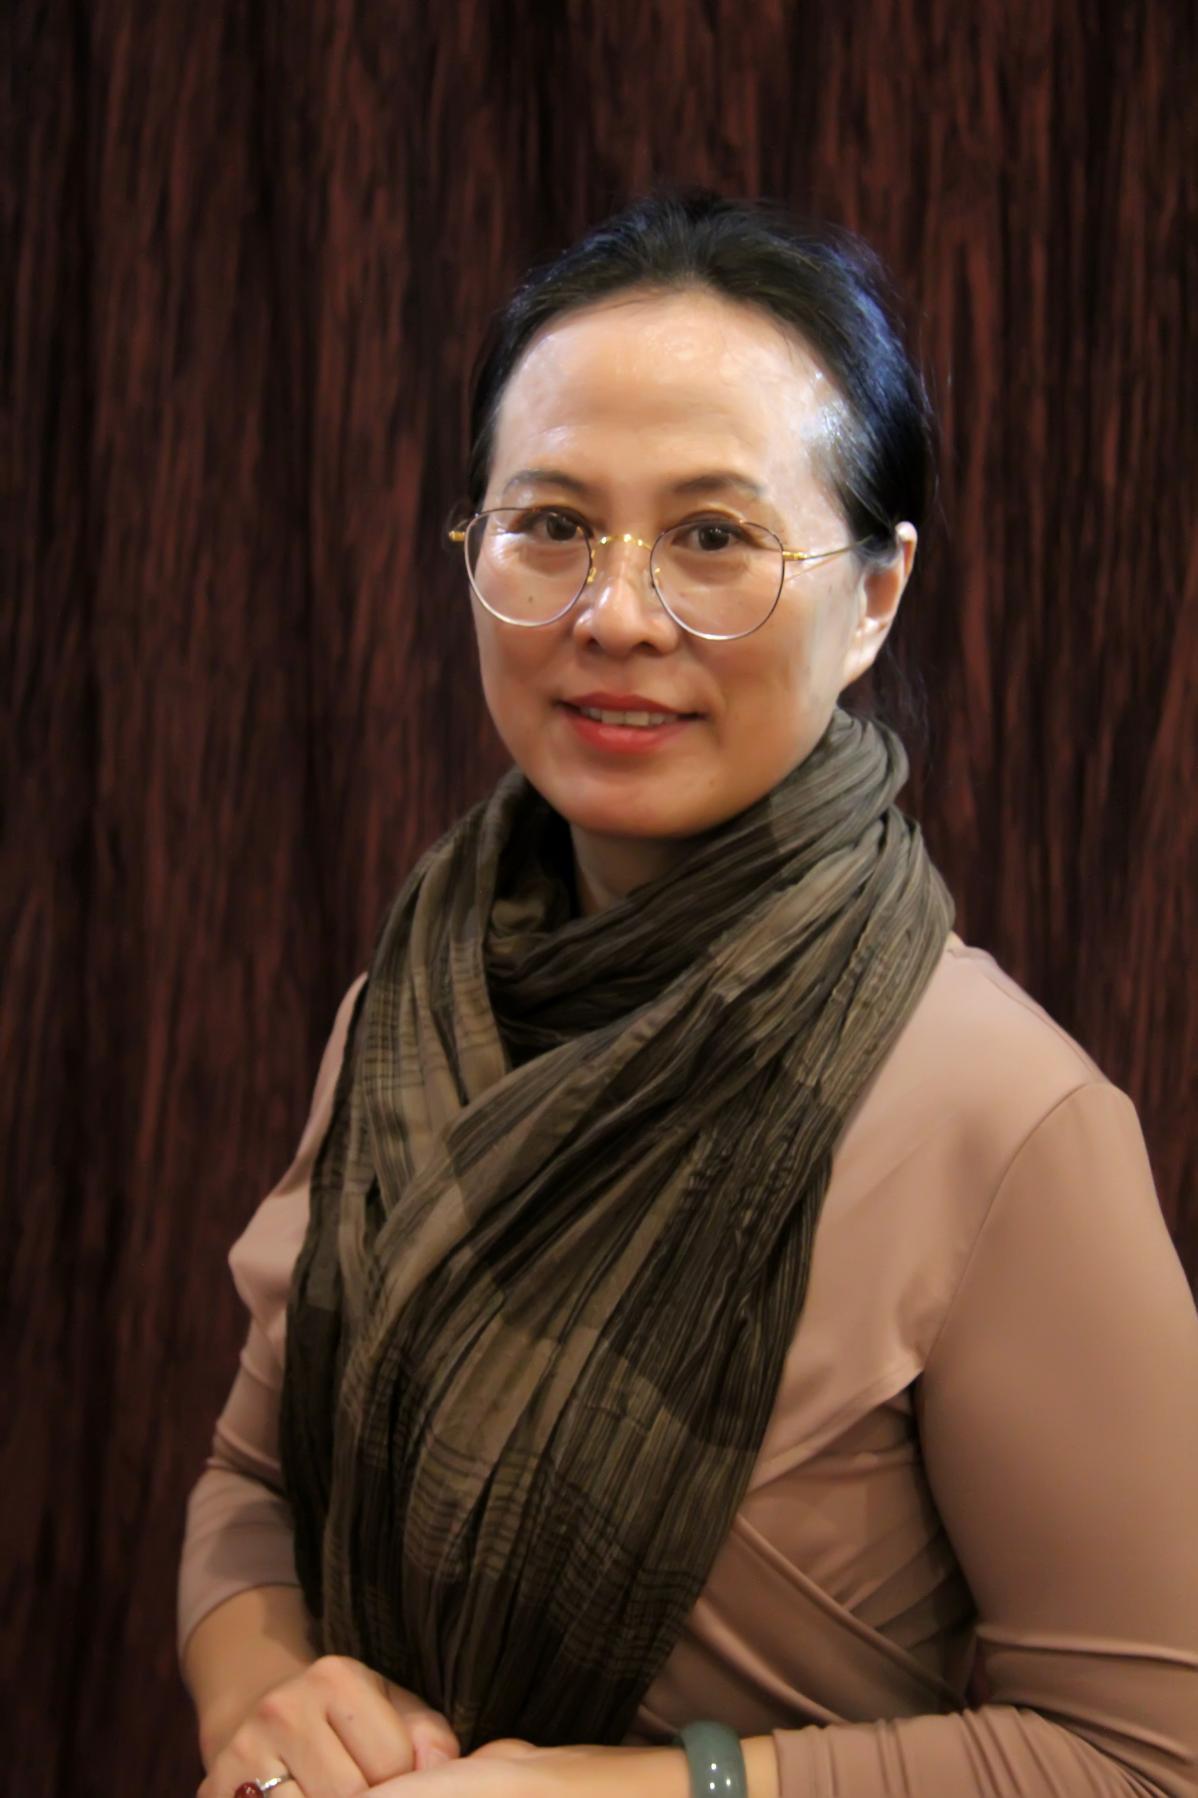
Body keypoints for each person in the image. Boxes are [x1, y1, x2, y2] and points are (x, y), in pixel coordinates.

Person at [177, 190, 1198, 1798]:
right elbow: (252, 1480)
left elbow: (1145, 1756)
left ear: (873, 596)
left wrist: (629, 1790)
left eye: (713, 537)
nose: (615, 613)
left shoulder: (1003, 1117)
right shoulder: (415, 1005)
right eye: (551, 524)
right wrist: (265, 1695)